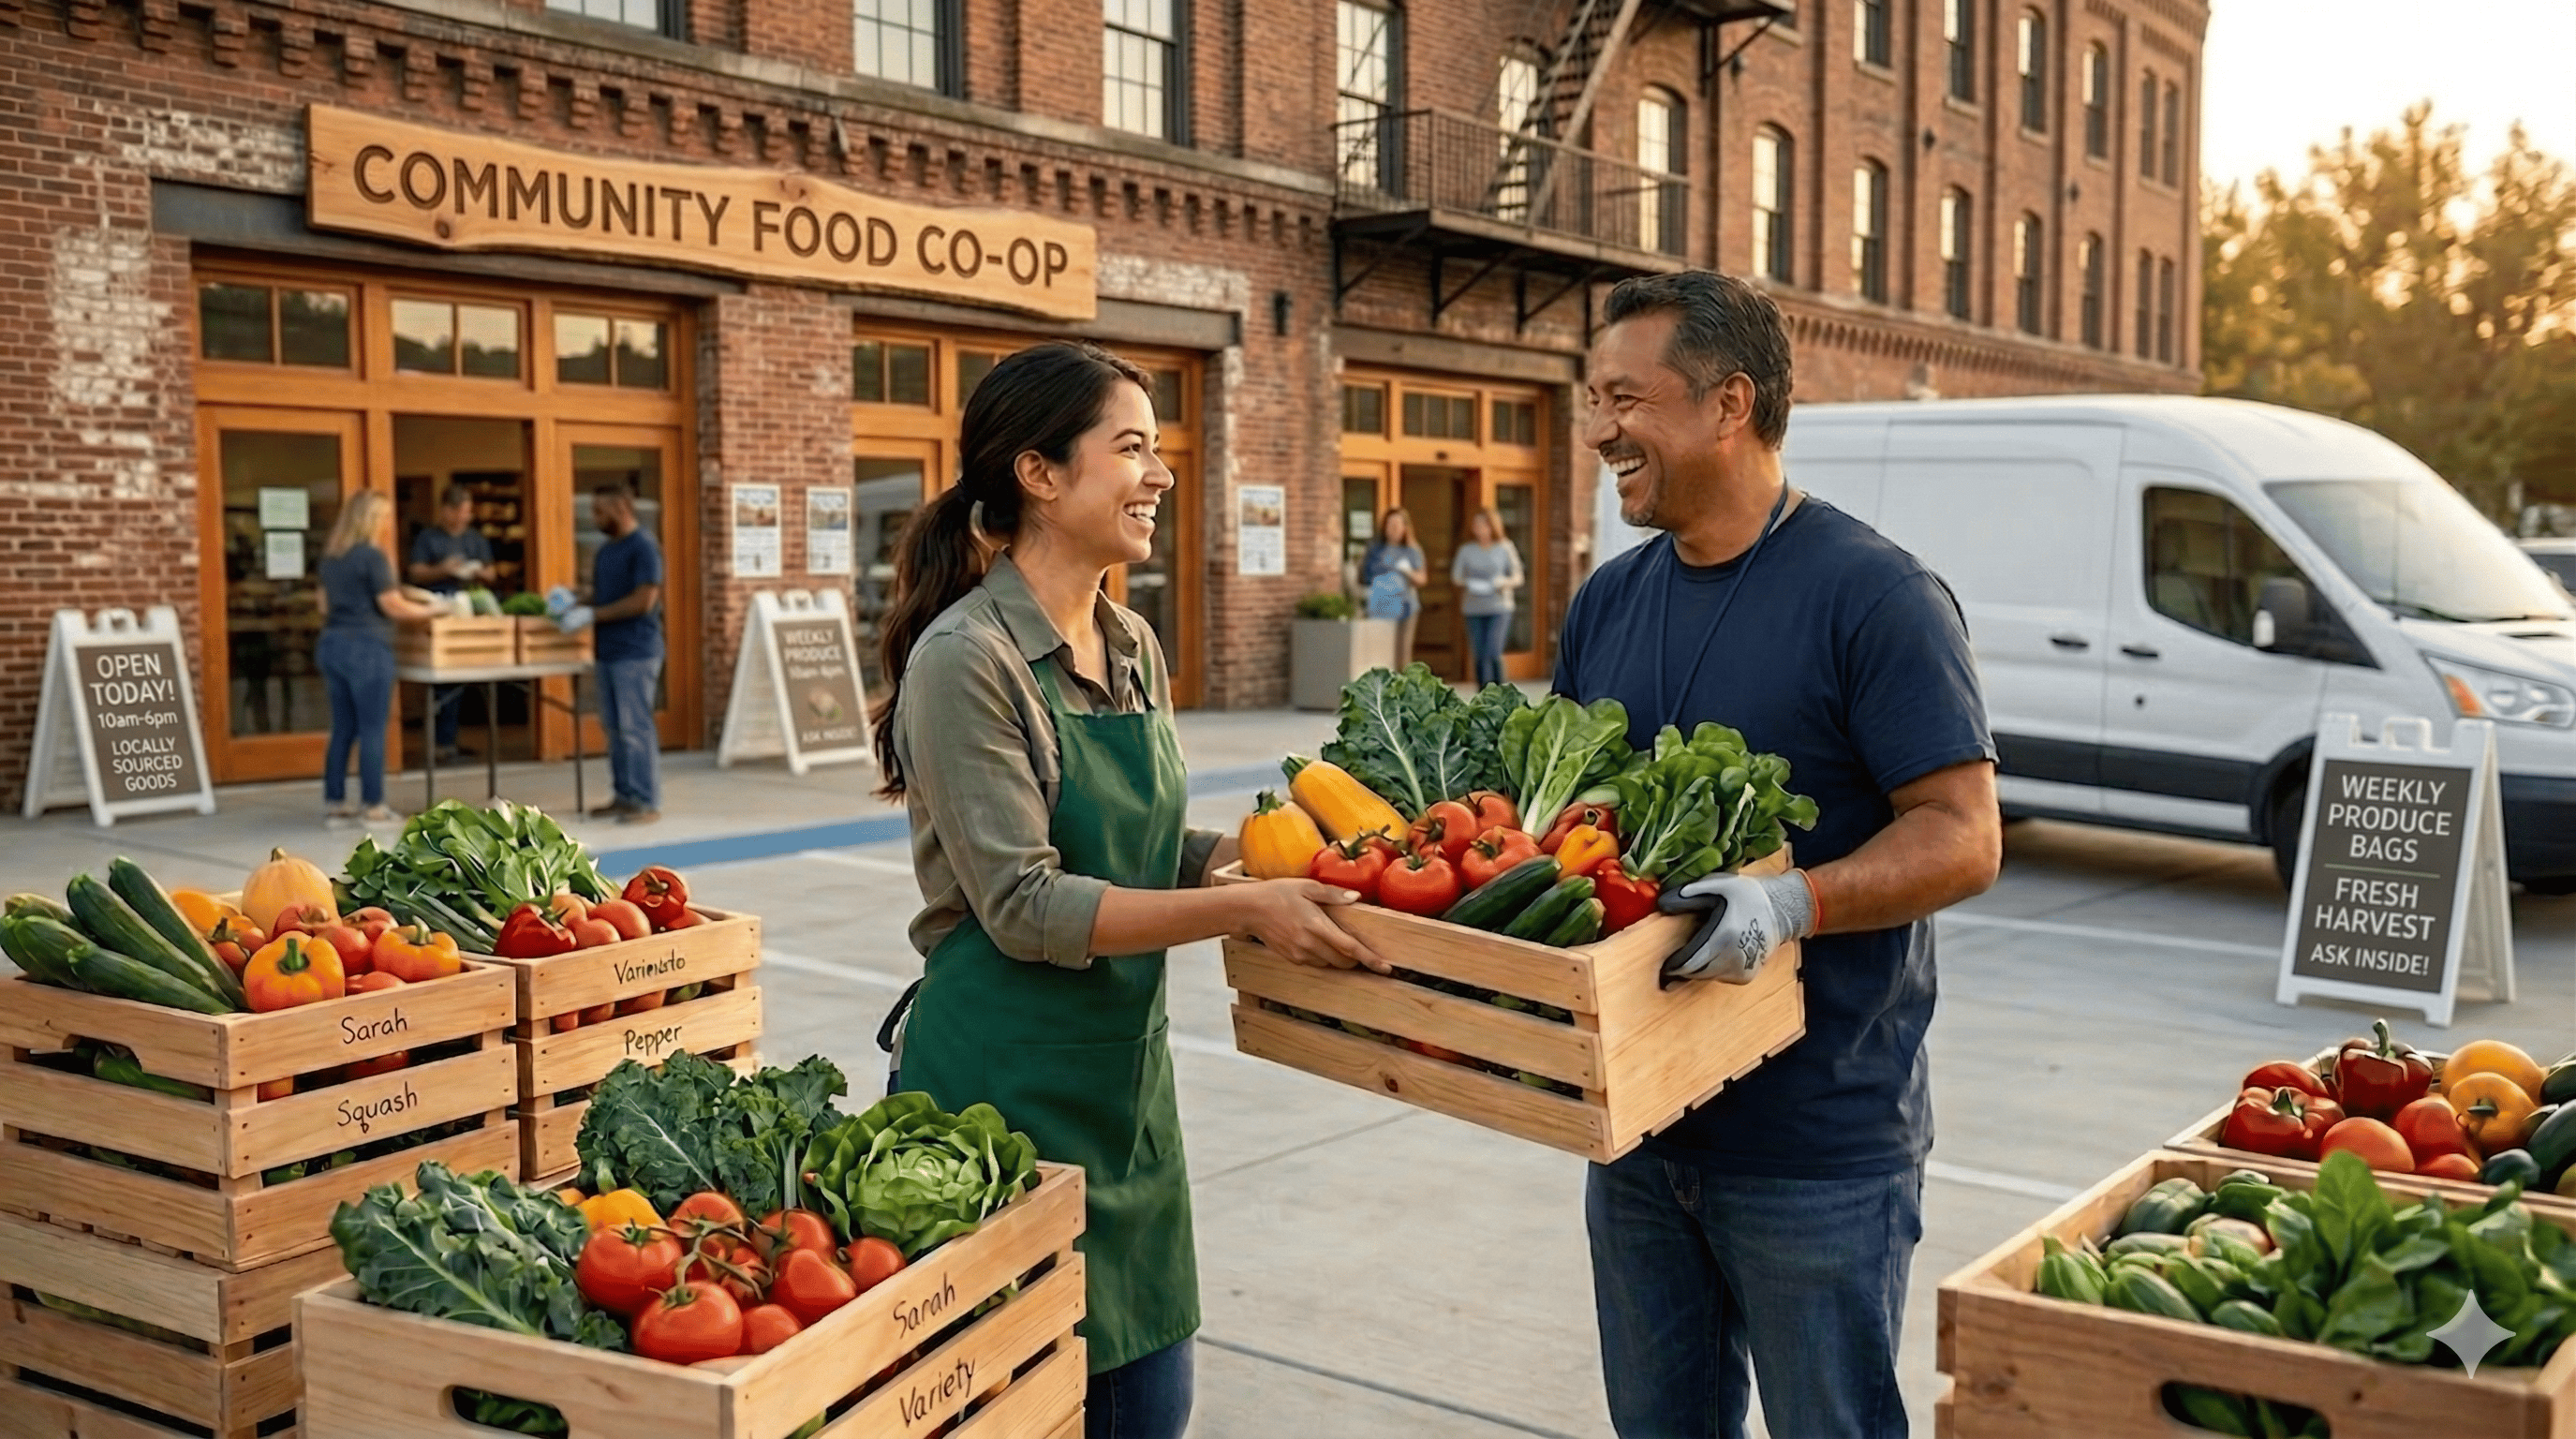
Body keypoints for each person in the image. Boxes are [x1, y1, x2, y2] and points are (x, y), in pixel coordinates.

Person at [870, 342, 1384, 1439]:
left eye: (1159, 448)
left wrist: (1249, 864)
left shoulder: (1131, 640)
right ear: (1039, 474)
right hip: (995, 1097)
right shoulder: (967, 662)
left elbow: (1142, 844)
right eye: (1132, 448)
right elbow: (1027, 903)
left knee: (1150, 1400)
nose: (1159, 473)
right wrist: (1245, 910)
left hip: (1125, 1088)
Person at [1558, 271, 2000, 1439]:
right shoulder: (1606, 602)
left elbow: (1962, 839)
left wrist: (1789, 903)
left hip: (1816, 1147)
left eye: (1623, 399)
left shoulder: (1875, 595)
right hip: (1642, 1131)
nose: (1598, 431)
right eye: (1590, 401)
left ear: (1727, 403)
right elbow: (1559, 835)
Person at [315, 491, 446, 826]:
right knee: (373, 728)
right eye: (385, 517)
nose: (389, 524)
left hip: (332, 644)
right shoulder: (372, 557)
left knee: (343, 727)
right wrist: (434, 608)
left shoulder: (331, 558)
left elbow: (323, 606)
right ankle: (373, 805)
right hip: (367, 647)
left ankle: (335, 802)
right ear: (373, 520)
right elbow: (392, 605)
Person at [558, 484, 664, 824]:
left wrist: (593, 616)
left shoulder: (644, 547)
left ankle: (646, 801)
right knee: (614, 728)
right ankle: (623, 795)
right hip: (607, 651)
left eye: (601, 511)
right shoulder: (606, 551)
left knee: (635, 728)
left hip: (636, 651)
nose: (595, 518)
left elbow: (643, 600)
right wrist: (575, 601)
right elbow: (602, 595)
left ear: (622, 507)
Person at [407, 482, 495, 763]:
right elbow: (415, 572)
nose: (464, 517)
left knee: (464, 678)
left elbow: (491, 573)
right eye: (459, 511)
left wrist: (478, 571)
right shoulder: (428, 539)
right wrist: (442, 569)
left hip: (469, 612)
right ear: (445, 511)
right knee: (442, 681)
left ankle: (451, 740)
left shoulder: (475, 539)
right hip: (438, 613)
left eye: (467, 512)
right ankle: (440, 743)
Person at [1451, 507, 1523, 687]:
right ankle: (1482, 695)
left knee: (1493, 651)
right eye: (1477, 525)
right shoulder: (1466, 550)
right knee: (1480, 654)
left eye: (1484, 525)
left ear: (1493, 526)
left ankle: (1501, 693)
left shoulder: (1505, 548)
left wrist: (1502, 582)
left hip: (1499, 606)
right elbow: (1456, 576)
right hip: (1474, 607)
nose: (1480, 529)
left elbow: (1518, 577)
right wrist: (1469, 582)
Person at [1358, 507, 1426, 666]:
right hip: (1379, 607)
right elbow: (1363, 576)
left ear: (1405, 528)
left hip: (1405, 609)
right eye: (1390, 524)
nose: (1393, 528)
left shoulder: (1412, 551)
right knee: (1379, 655)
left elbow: (1422, 579)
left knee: (1401, 656)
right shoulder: (1374, 551)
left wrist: (1408, 572)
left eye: (1397, 524)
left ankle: (1401, 690)